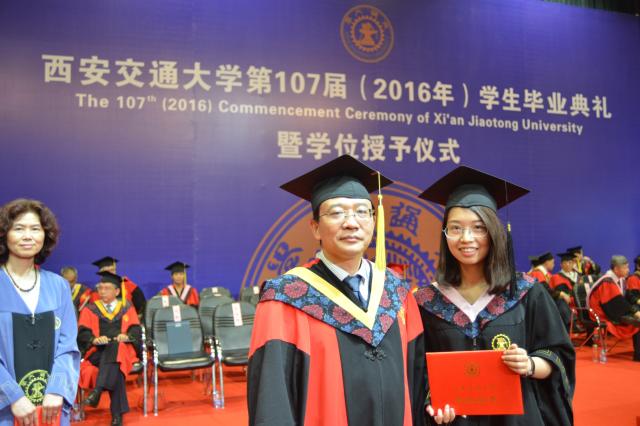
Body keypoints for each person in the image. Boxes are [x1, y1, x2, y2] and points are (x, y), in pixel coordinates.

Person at [247, 155, 426, 426]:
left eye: (362, 212)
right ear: (315, 228)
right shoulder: (286, 298)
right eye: (337, 212)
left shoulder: (397, 291)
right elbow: (271, 400)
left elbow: (418, 377)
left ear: (374, 221)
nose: (351, 223)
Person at [415, 166, 575, 425]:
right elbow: (417, 373)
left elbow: (559, 356)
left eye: (479, 227)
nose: (466, 238)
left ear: (495, 232)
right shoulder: (427, 301)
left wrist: (529, 364)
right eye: (455, 228)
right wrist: (431, 402)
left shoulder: (525, 292)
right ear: (445, 235)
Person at [0, 198, 80, 425]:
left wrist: (57, 389)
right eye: (19, 228)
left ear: (45, 235)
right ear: (5, 235)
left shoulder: (59, 286)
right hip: (6, 411)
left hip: (50, 409)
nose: (28, 236)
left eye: (35, 229)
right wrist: (12, 396)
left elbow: (68, 347)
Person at [77, 271, 142, 425]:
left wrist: (127, 336)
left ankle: (98, 391)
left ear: (117, 291)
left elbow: (135, 329)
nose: (102, 291)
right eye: (100, 288)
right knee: (116, 364)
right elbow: (83, 333)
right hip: (97, 352)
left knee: (117, 347)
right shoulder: (90, 309)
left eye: (107, 288)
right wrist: (94, 339)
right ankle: (117, 415)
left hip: (123, 351)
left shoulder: (126, 307)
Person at [587, 255, 640, 361]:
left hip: (610, 309)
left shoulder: (619, 279)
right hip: (600, 313)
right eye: (625, 267)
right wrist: (635, 312)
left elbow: (624, 298)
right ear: (616, 269)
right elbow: (617, 303)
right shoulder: (607, 281)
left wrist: (635, 307)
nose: (628, 270)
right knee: (637, 321)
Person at [549, 252, 578, 331]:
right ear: (561, 265)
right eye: (565, 263)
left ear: (573, 264)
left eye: (570, 262)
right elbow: (554, 294)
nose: (568, 265)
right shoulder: (555, 277)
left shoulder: (578, 277)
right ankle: (572, 325)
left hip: (578, 303)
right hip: (566, 305)